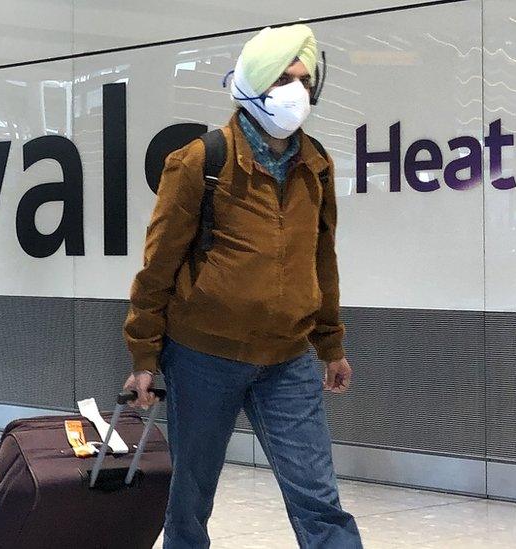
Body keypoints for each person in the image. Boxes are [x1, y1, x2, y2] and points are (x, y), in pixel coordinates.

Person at [123, 25, 363, 548]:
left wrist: (331, 343)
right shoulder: (199, 161)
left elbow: (321, 260)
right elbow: (157, 266)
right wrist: (144, 356)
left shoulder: (315, 165)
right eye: (282, 78)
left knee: (319, 498)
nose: (295, 91)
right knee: (191, 495)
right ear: (253, 81)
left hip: (289, 358)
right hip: (204, 355)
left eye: (304, 80)